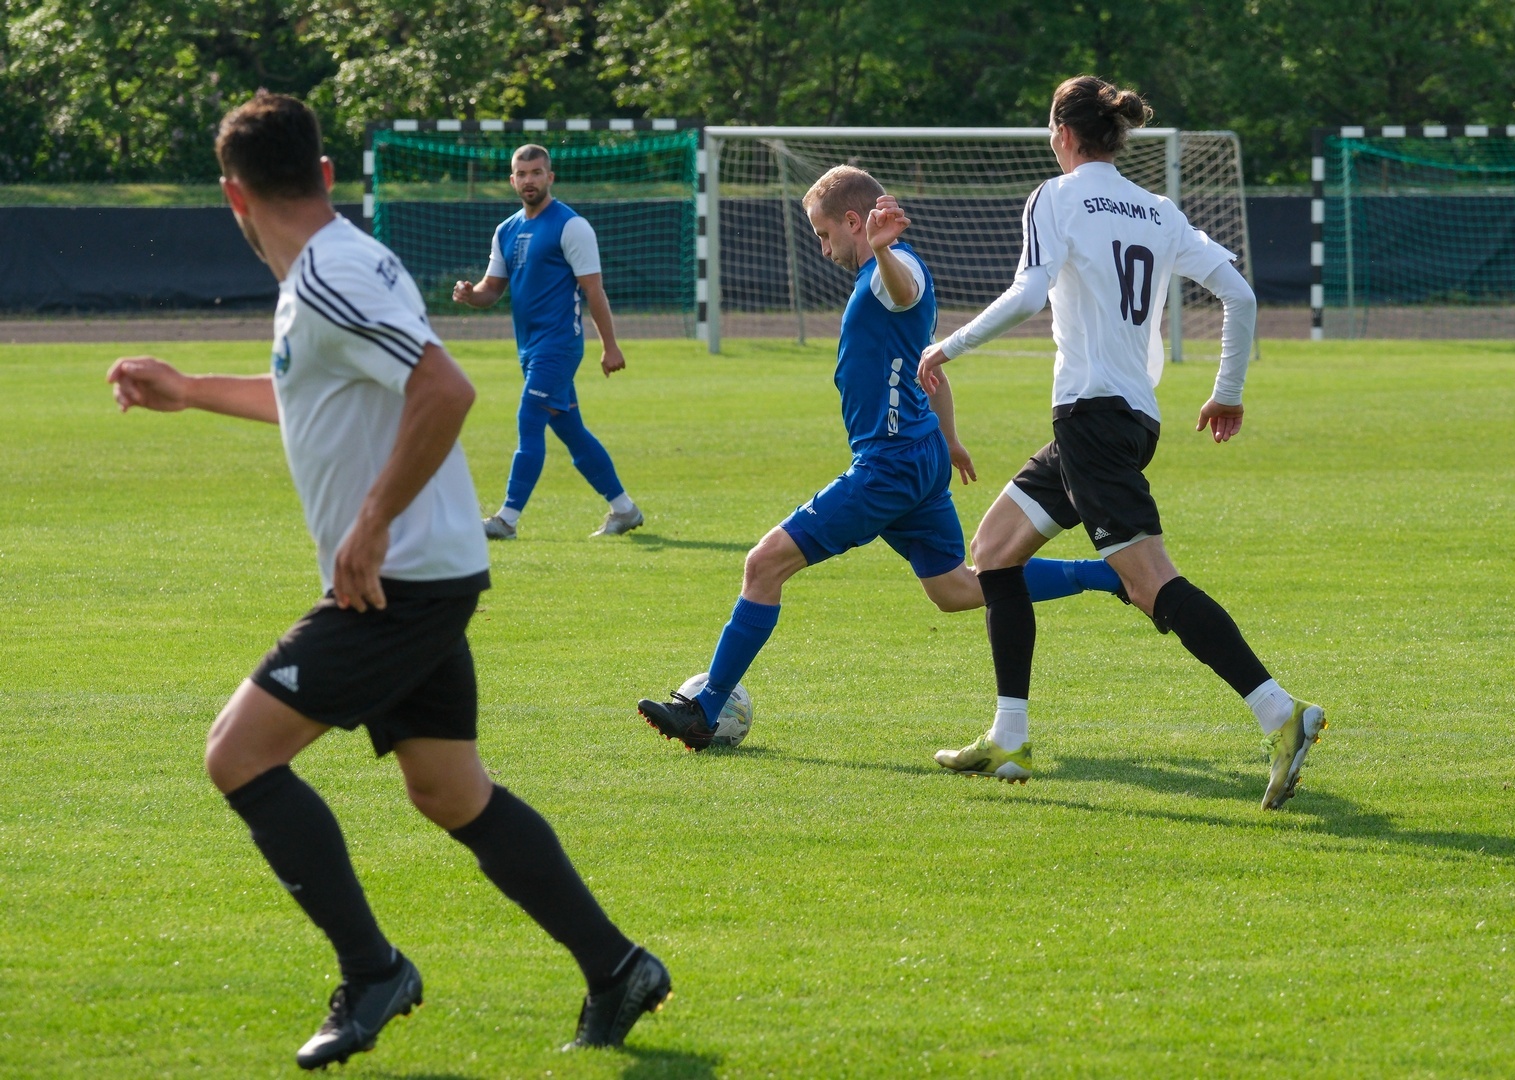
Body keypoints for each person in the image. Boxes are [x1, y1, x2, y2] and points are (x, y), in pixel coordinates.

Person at [106, 92, 669, 1070]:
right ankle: (617, 966)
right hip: (428, 571)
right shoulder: (341, 263)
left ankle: (374, 971)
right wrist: (192, 391)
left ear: (234, 195)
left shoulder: (329, 275)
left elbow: (446, 388)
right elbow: (318, 396)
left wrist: (368, 526)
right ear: (326, 174)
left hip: (396, 581)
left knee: (237, 755)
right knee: (450, 791)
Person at [918, 75, 1325, 808]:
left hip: (1090, 420)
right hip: (1129, 421)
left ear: (1063, 134)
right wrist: (1227, 391)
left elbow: (1029, 293)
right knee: (995, 550)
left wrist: (947, 346)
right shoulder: (1158, 210)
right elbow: (1239, 294)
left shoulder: (1055, 196)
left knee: (1148, 583)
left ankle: (1280, 712)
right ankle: (1009, 735)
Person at [636, 166, 1122, 757]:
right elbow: (930, 369)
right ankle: (1106, 575)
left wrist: (884, 250)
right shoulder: (884, 271)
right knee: (955, 589)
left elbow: (904, 291)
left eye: (824, 234)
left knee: (764, 564)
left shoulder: (893, 269)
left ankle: (705, 709)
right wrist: (950, 439)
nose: (824, 249)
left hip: (888, 466)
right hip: (917, 455)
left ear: (852, 221)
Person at [453, 145, 643, 540]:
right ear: (512, 180)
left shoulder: (571, 226)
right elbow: (492, 289)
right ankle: (624, 509)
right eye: (522, 174)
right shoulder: (506, 230)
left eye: (537, 172)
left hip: (559, 345)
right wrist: (470, 295)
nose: (529, 180)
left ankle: (506, 519)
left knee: (529, 419)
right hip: (529, 348)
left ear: (550, 177)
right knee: (571, 431)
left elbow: (594, 291)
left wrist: (609, 345)